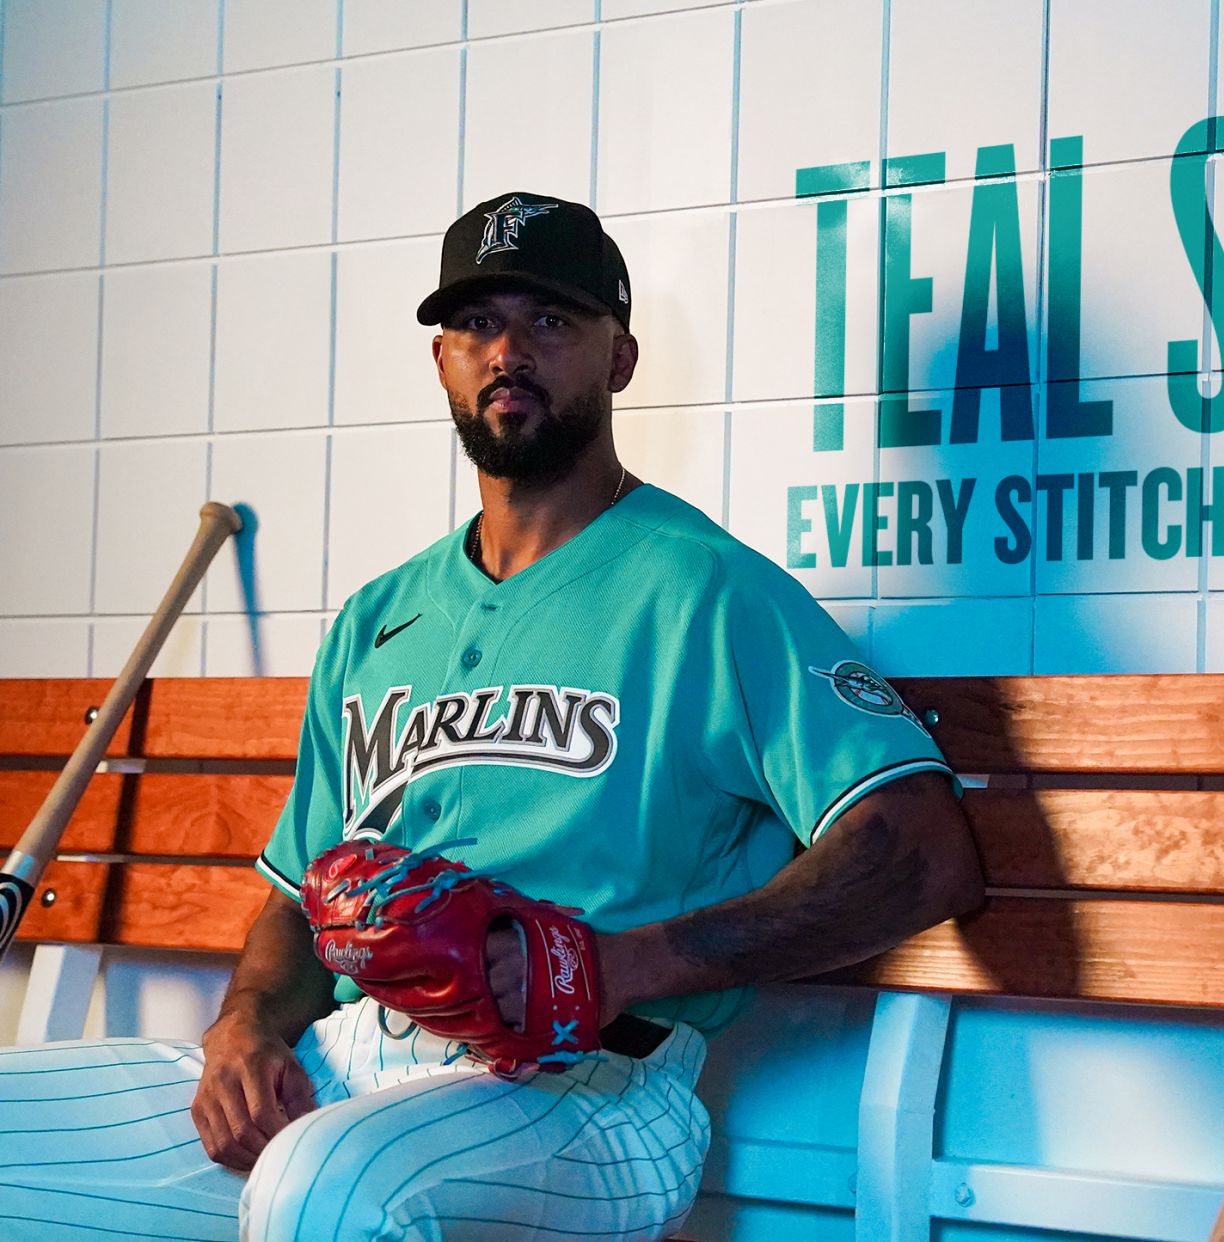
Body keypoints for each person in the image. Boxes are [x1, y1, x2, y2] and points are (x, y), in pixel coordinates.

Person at [0, 192, 984, 1240]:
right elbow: (298, 900)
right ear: (442, 363)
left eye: (550, 321)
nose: (508, 348)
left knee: (323, 1187)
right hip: (347, 1065)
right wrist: (243, 1029)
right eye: (476, 324)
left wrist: (622, 963)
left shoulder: (706, 591)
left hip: (593, 1095)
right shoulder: (379, 616)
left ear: (620, 359)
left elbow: (923, 850)